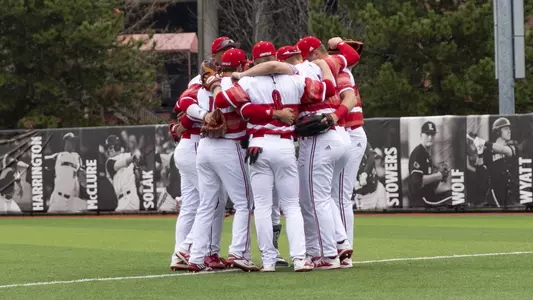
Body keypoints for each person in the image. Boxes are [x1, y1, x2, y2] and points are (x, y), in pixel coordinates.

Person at [216, 41, 336, 271]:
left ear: (255, 60)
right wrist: (327, 69)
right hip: (285, 147)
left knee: (262, 206)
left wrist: (239, 94)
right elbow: (328, 90)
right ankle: (300, 259)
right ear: (275, 57)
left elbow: (221, 101)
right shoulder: (295, 79)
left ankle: (269, 261)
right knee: (291, 206)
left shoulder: (248, 81)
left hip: (258, 145)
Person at [472, 117, 519, 207]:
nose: (509, 131)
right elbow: (479, 169)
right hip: (494, 193)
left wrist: (483, 142)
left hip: (509, 193)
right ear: (498, 132)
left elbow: (503, 150)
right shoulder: (488, 151)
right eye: (506, 129)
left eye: (509, 129)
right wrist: (480, 152)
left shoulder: (512, 147)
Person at [408, 121, 452, 207]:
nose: (430, 137)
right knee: (455, 198)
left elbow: (431, 185)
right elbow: (417, 181)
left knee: (454, 193)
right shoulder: (418, 153)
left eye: (432, 134)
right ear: (421, 135)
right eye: (427, 134)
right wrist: (438, 176)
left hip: (428, 196)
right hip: (421, 200)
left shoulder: (426, 153)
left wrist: (439, 177)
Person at [46, 133, 86, 213]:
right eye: (71, 141)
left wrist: (83, 177)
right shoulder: (59, 156)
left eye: (74, 141)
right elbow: (42, 161)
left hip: (71, 201)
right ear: (65, 143)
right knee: (48, 222)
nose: (74, 144)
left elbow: (81, 176)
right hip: (58, 198)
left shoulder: (77, 157)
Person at [104, 135, 141, 211]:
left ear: (117, 147)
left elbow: (138, 176)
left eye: (110, 147)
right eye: (107, 148)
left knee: (115, 221)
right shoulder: (109, 162)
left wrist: (136, 167)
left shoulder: (128, 155)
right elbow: (119, 164)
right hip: (122, 200)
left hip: (129, 198)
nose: (108, 150)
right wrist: (131, 159)